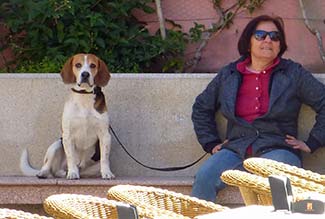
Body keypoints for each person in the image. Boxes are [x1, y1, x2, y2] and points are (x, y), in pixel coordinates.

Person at [191, 14, 325, 202]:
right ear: (248, 43)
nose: (268, 40)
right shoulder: (229, 74)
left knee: (278, 181)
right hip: (236, 148)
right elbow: (201, 108)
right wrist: (211, 143)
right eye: (261, 35)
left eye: (275, 36)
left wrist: (313, 142)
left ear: (280, 45)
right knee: (204, 177)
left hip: (277, 148)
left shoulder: (293, 73)